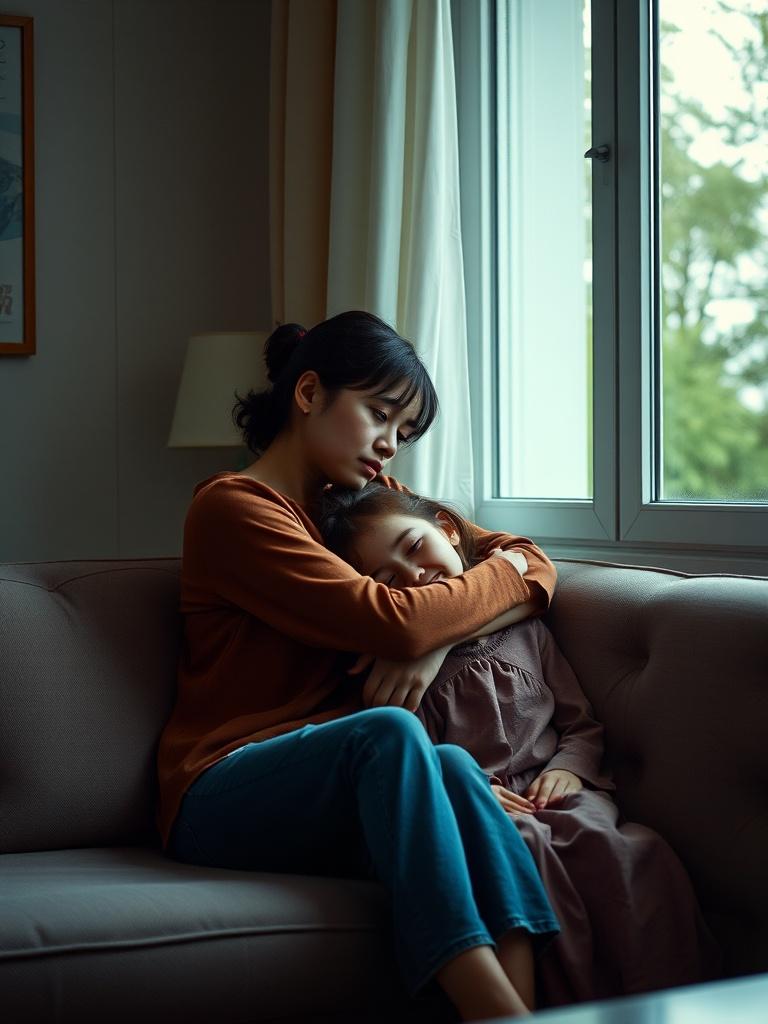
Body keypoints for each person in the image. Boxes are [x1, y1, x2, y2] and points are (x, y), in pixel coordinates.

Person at [156, 311, 561, 1022]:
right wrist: (425, 625)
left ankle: (528, 1007)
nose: (388, 445)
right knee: (395, 734)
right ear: (309, 392)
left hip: (338, 786)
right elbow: (397, 620)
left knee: (460, 769)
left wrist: (434, 639)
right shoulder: (233, 510)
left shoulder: (359, 507)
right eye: (379, 415)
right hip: (222, 789)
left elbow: (530, 562)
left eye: (403, 433)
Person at [315, 482, 721, 1007]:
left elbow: (581, 724)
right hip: (483, 807)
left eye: (415, 549)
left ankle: (668, 1002)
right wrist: (474, 790)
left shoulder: (528, 630)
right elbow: (410, 764)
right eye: (388, 580)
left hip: (560, 790)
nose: (415, 576)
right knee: (529, 856)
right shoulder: (396, 676)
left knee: (634, 852)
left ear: (445, 529)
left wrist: (571, 769)